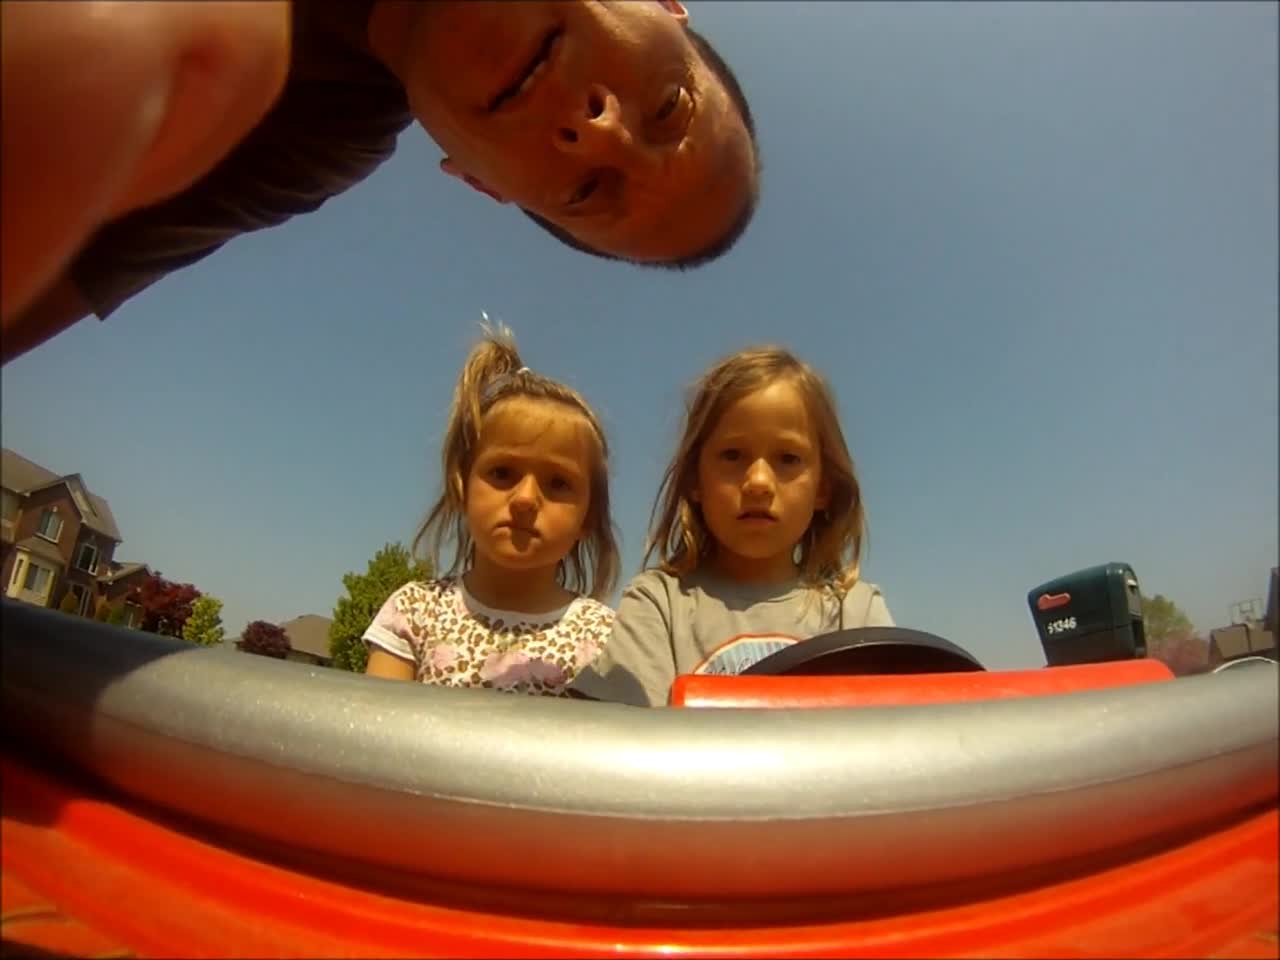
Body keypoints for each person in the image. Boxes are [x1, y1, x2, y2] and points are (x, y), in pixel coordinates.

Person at [1, 1, 761, 363]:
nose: (600, 132)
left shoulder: (304, 137)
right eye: (669, 108)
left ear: (480, 182)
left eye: (589, 190)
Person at [571, 346, 894, 706]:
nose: (758, 481)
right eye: (732, 455)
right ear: (696, 480)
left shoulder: (857, 614)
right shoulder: (659, 605)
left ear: (823, 488)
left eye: (787, 458)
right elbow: (630, 744)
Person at [362, 324, 619, 696]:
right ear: (461, 488)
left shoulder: (605, 639)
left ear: (588, 518)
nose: (526, 498)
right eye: (502, 473)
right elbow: (373, 733)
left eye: (559, 483)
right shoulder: (414, 612)